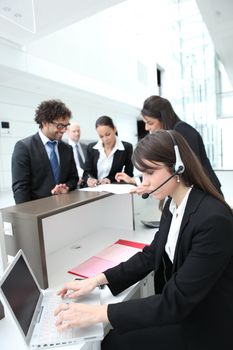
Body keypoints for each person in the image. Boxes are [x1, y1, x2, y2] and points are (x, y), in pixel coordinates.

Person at [54, 130, 233, 350]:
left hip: (206, 326)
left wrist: (99, 313)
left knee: (113, 341)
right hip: (185, 311)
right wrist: (96, 280)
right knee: (114, 335)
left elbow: (174, 302)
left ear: (178, 167)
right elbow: (151, 255)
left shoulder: (212, 220)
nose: (144, 182)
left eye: (149, 173)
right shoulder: (172, 204)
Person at [116, 95, 222, 195]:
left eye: (150, 123)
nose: (146, 128)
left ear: (163, 119)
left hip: (204, 191)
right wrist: (135, 180)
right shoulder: (171, 136)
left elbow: (187, 169)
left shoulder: (183, 131)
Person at [12, 99, 78, 204]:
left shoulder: (67, 149)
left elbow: (73, 178)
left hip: (65, 207)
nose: (64, 130)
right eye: (60, 126)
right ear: (45, 122)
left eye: (66, 126)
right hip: (38, 210)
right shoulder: (24, 147)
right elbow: (21, 188)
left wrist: (67, 187)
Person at [82, 116, 134, 187]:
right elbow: (86, 173)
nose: (105, 139)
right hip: (93, 189)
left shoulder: (126, 148)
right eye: (101, 136)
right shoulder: (91, 148)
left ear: (114, 129)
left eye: (108, 134)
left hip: (113, 189)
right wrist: (89, 179)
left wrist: (110, 179)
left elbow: (129, 174)